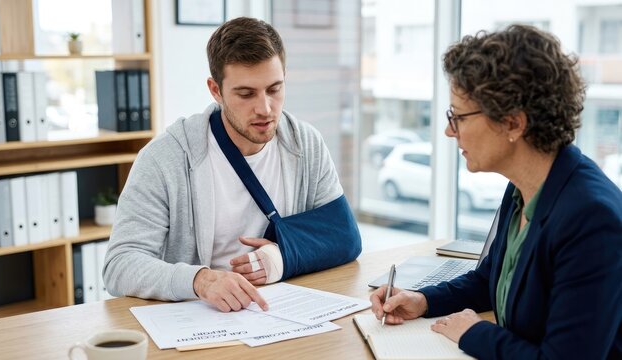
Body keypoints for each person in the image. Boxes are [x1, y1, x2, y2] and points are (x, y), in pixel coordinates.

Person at [371, 24, 622, 359]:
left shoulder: (591, 219)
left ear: (513, 123)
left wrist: (475, 334)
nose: (449, 130)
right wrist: (425, 300)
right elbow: (490, 279)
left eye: (458, 117)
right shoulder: (522, 187)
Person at [103, 17, 360, 313]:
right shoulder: (165, 158)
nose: (265, 108)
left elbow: (344, 237)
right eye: (246, 94)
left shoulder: (305, 143)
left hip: (281, 311)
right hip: (199, 317)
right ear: (215, 90)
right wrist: (200, 280)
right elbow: (119, 265)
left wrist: (280, 258)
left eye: (274, 89)